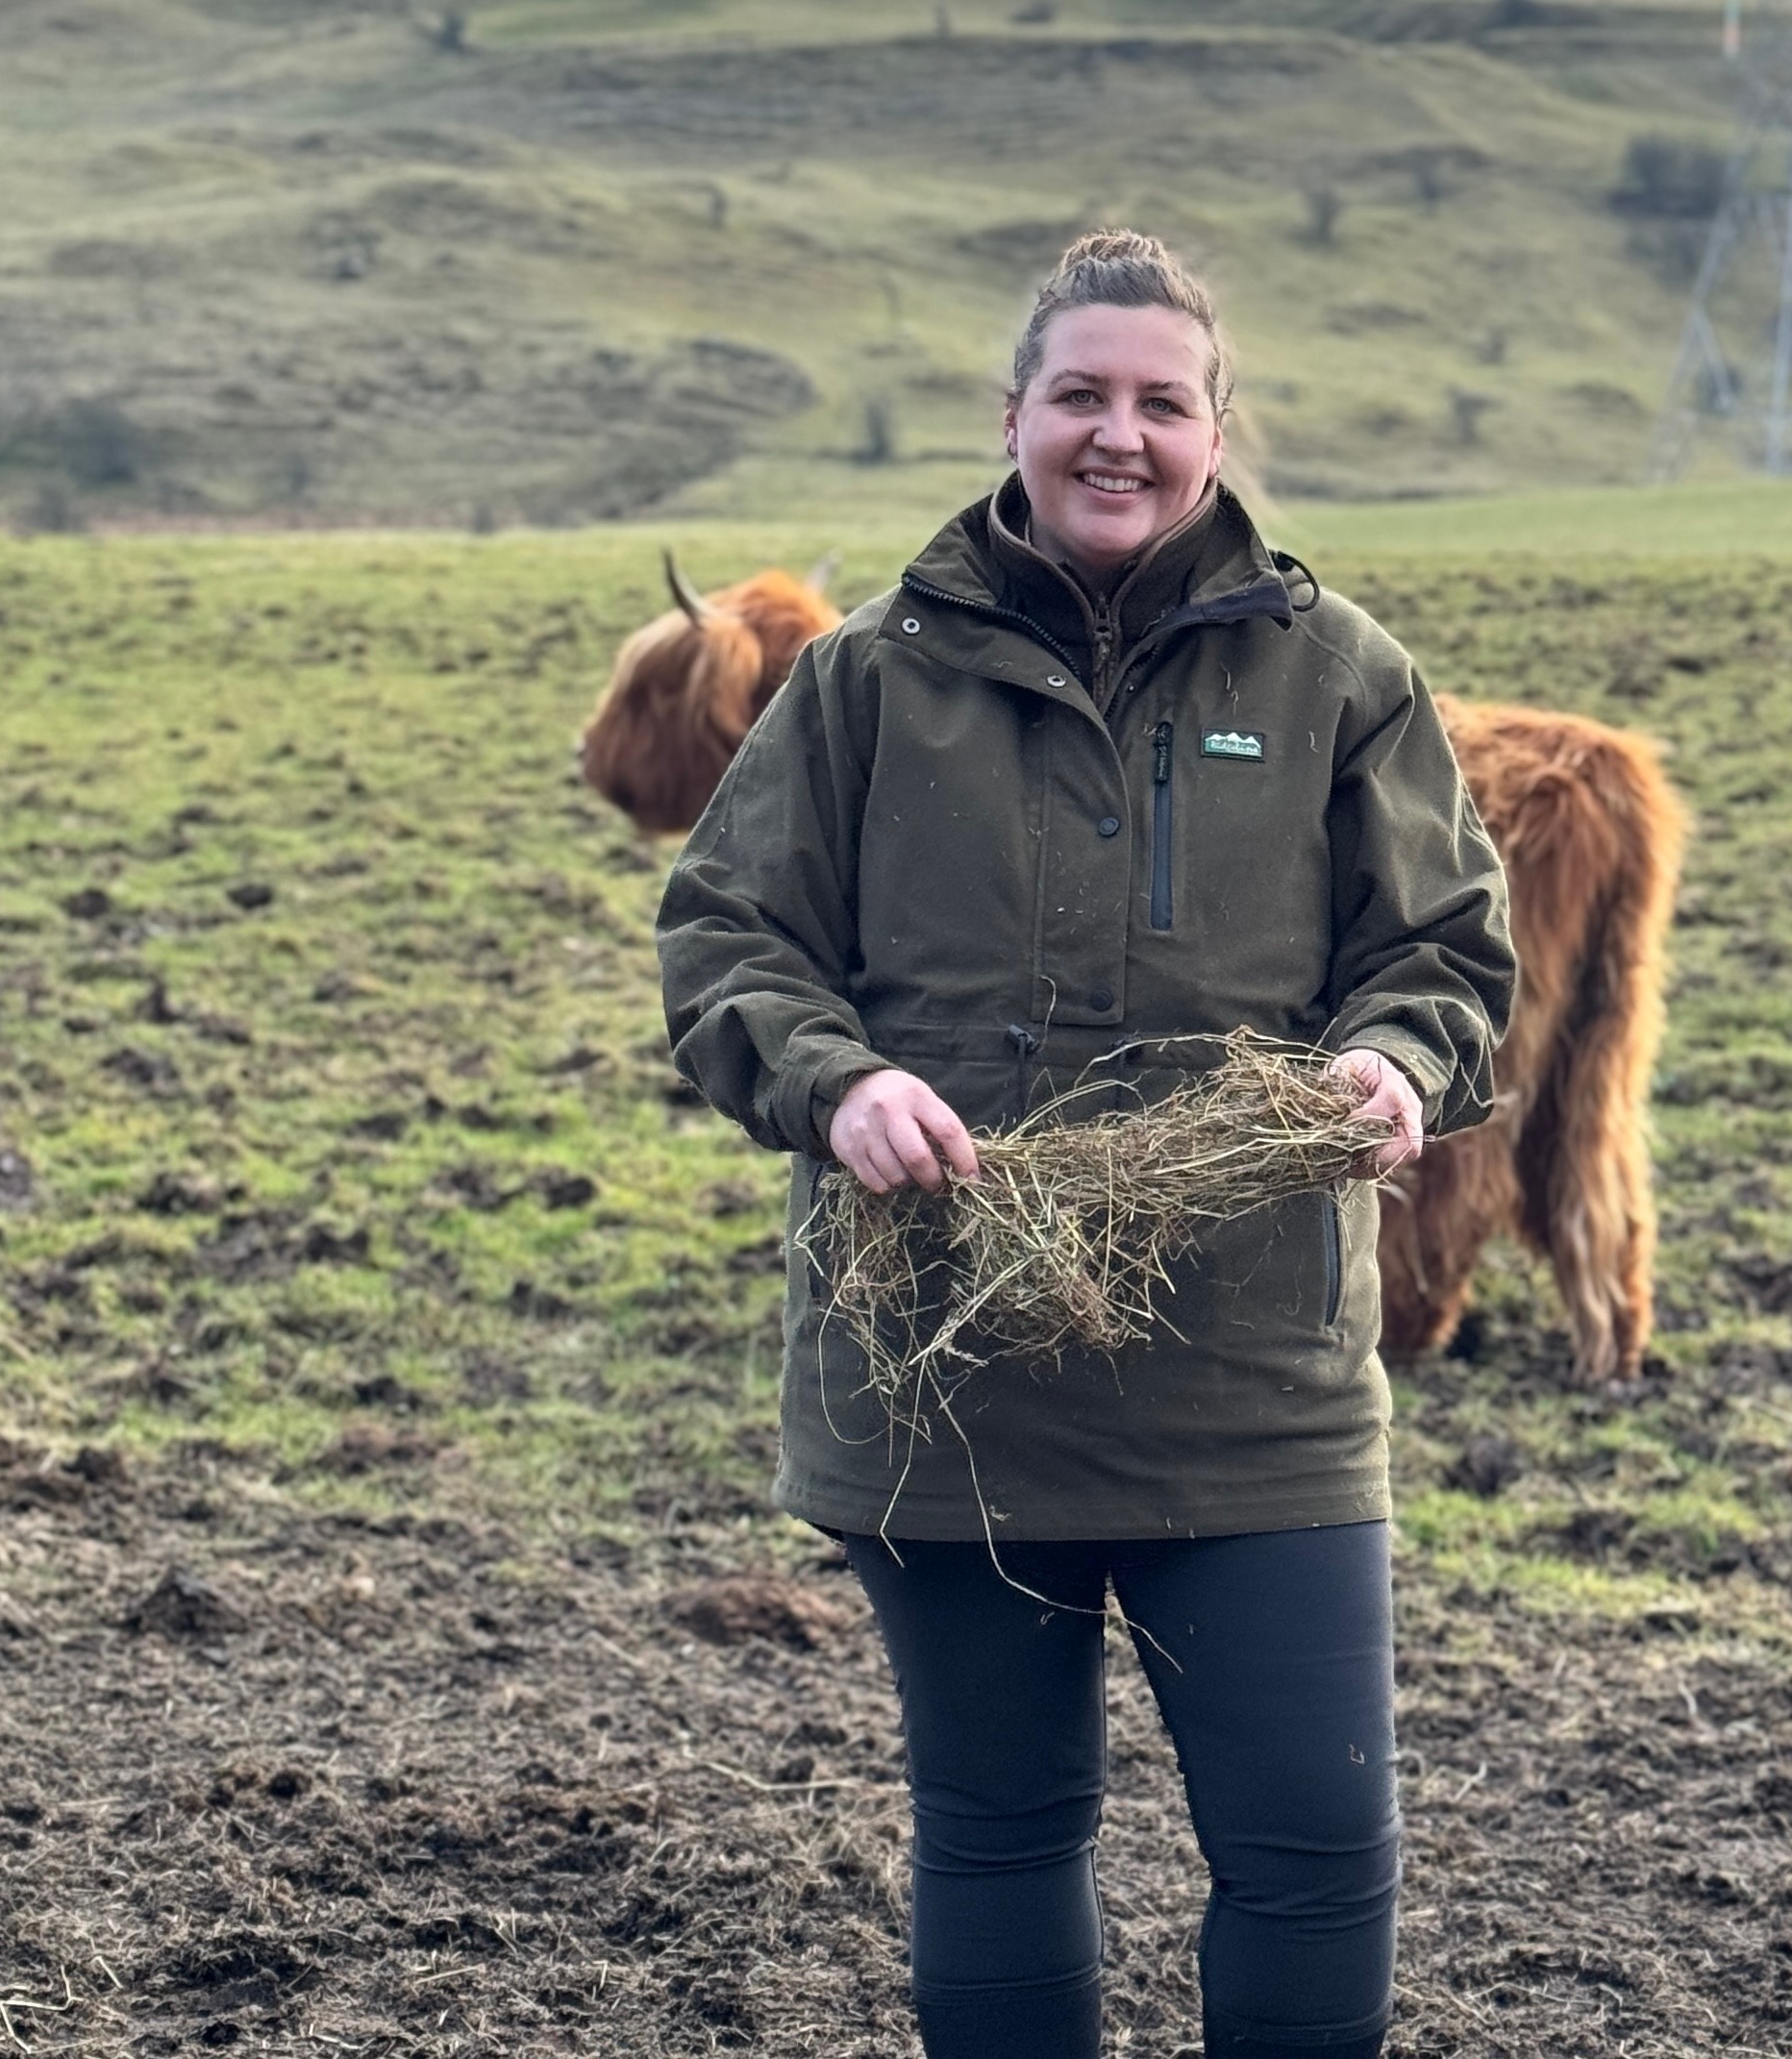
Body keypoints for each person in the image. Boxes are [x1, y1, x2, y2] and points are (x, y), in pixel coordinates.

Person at [656, 230, 1516, 2059]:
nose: (1115, 436)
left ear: (1217, 430)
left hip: (1254, 1374)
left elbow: (1442, 953)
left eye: (1158, 402)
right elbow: (729, 941)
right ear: (1014, 418)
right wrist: (836, 1083)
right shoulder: (871, 680)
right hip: (944, 1352)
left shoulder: (1337, 675)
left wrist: (1391, 1065)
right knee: (998, 1826)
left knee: (1308, 1847)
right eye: (1079, 397)